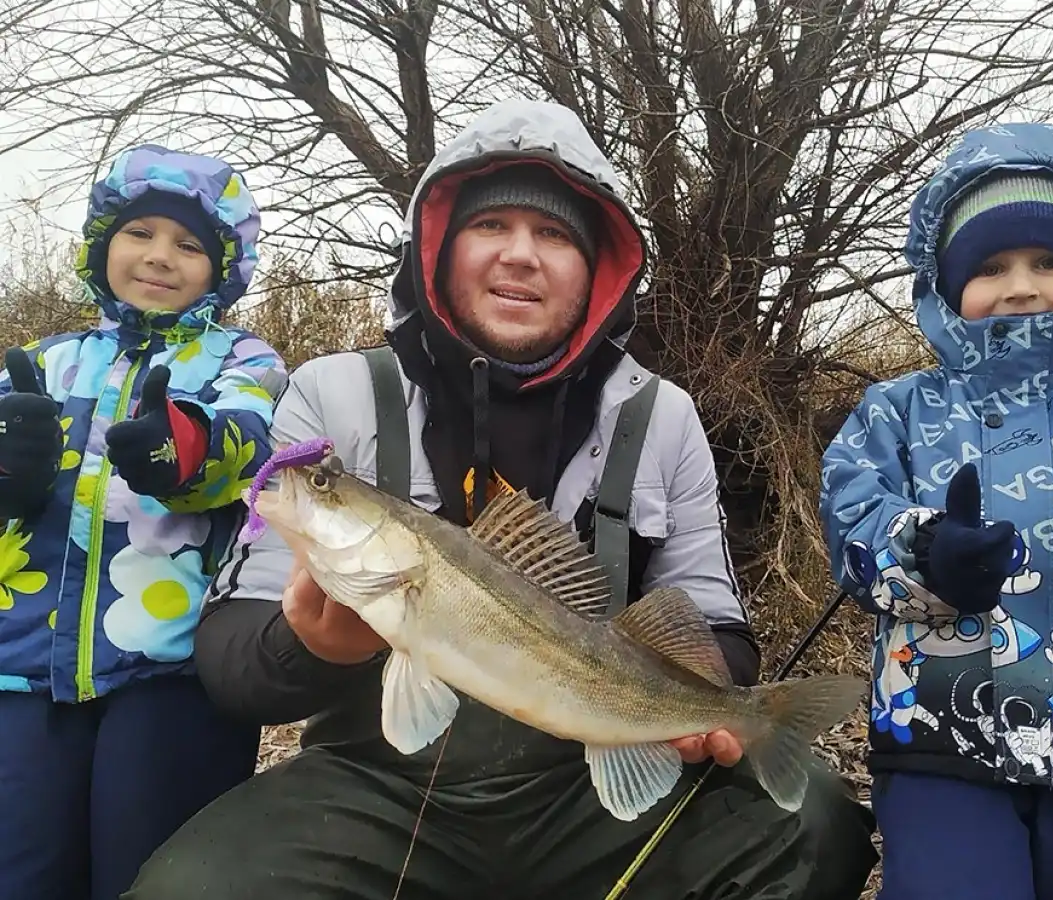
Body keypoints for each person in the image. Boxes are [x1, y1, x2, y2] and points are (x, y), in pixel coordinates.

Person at [125, 98, 879, 900]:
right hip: (375, 791)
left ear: (598, 268)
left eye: (554, 234)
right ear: (439, 247)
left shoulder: (662, 416)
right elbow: (233, 661)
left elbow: (715, 625)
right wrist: (314, 647)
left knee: (815, 829)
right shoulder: (331, 394)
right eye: (491, 226)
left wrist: (701, 703)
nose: (520, 255)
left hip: (592, 793)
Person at [820, 121, 1053, 900]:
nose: (1021, 286)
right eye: (990, 266)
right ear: (943, 284)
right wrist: (925, 551)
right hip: (941, 740)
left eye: (1048, 262)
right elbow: (853, 524)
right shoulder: (896, 411)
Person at [0, 144, 288, 898]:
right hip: (21, 667)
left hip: (171, 673)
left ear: (222, 269)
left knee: (150, 875)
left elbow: (248, 448)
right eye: (139, 233)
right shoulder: (41, 363)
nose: (160, 255)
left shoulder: (246, 362)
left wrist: (183, 447)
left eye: (189, 245)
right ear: (101, 246)